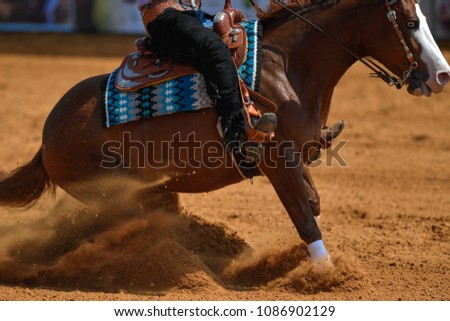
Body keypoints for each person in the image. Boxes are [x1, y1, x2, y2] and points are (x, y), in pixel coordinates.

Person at [137, 0, 276, 152]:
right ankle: (233, 127)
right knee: (215, 49)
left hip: (187, 14)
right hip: (165, 15)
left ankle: (246, 107)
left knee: (238, 36)